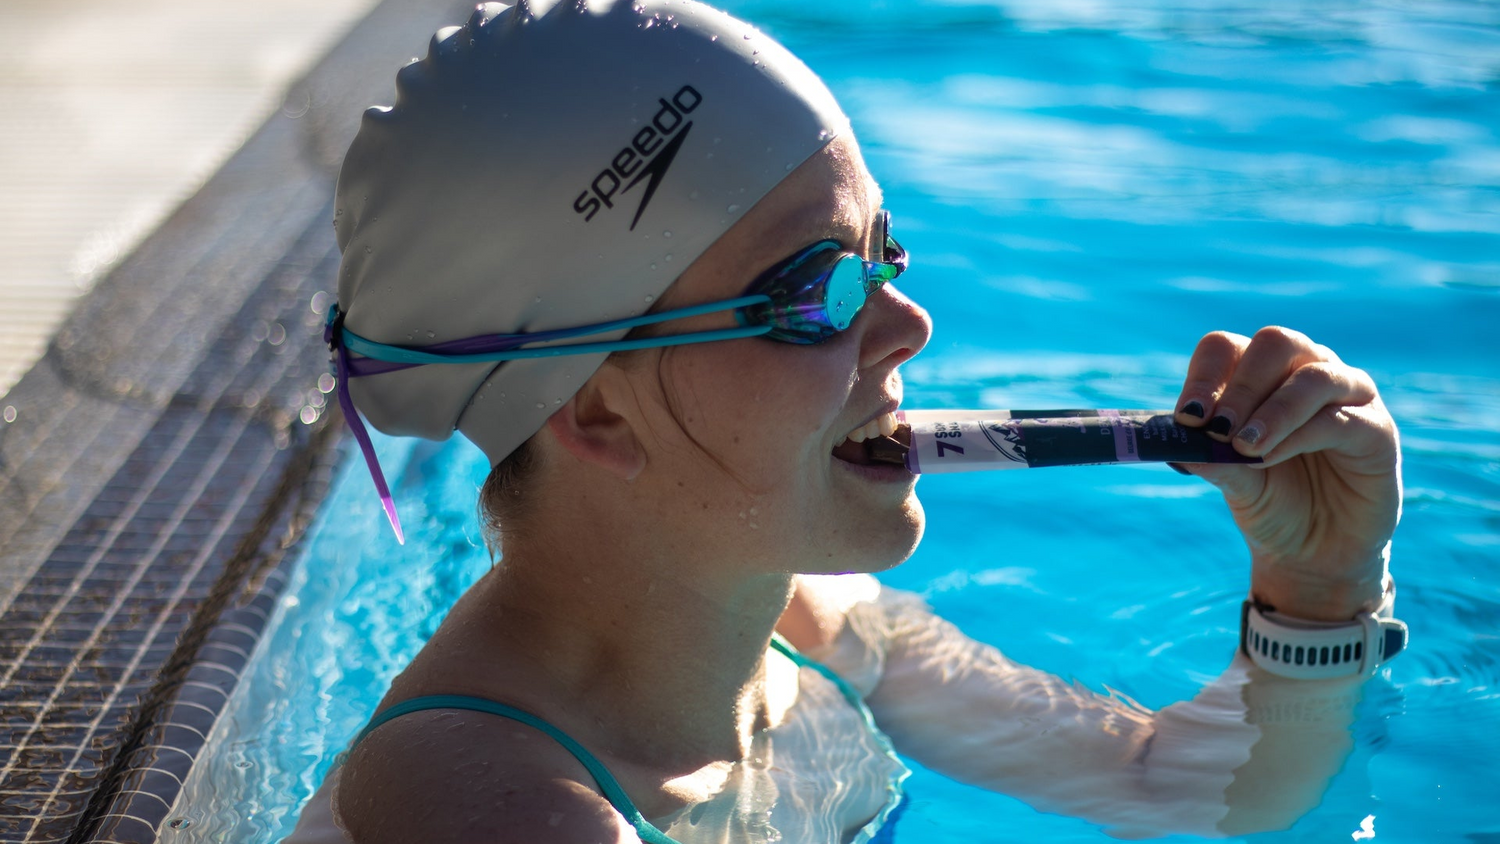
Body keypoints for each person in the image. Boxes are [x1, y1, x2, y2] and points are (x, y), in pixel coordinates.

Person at [289, 1, 1405, 841]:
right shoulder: (481, 795)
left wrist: (1319, 586)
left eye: (886, 250)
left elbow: (1173, 787)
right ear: (597, 409)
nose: (909, 322)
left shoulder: (808, 622)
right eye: (818, 289)